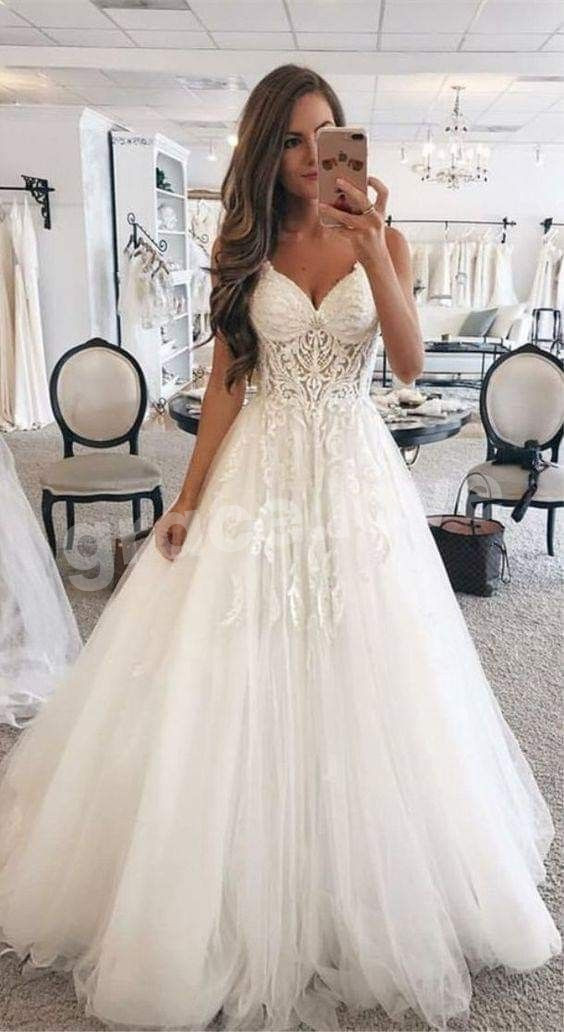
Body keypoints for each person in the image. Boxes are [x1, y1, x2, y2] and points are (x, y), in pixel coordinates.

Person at [0, 64, 560, 1032]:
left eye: (327, 137)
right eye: (293, 140)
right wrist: (187, 498)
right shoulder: (245, 243)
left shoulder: (378, 237)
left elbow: (410, 363)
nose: (311, 157)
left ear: (349, 144)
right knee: (234, 656)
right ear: (266, 147)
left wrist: (373, 243)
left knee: (367, 660)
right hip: (258, 472)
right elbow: (229, 380)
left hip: (352, 470)